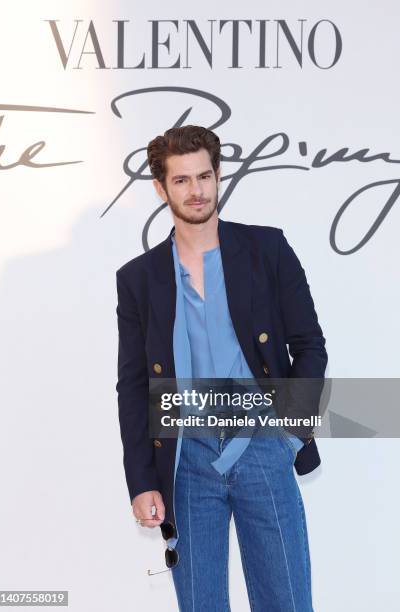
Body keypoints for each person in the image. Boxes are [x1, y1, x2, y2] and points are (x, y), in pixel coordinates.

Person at [115, 125, 328, 611]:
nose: (197, 190)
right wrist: (142, 478)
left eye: (205, 176)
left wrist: (290, 432)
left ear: (219, 176)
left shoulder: (267, 249)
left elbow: (309, 345)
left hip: (262, 451)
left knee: (287, 602)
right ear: (161, 188)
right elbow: (132, 387)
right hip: (185, 460)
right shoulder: (138, 279)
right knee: (200, 604)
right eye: (183, 180)